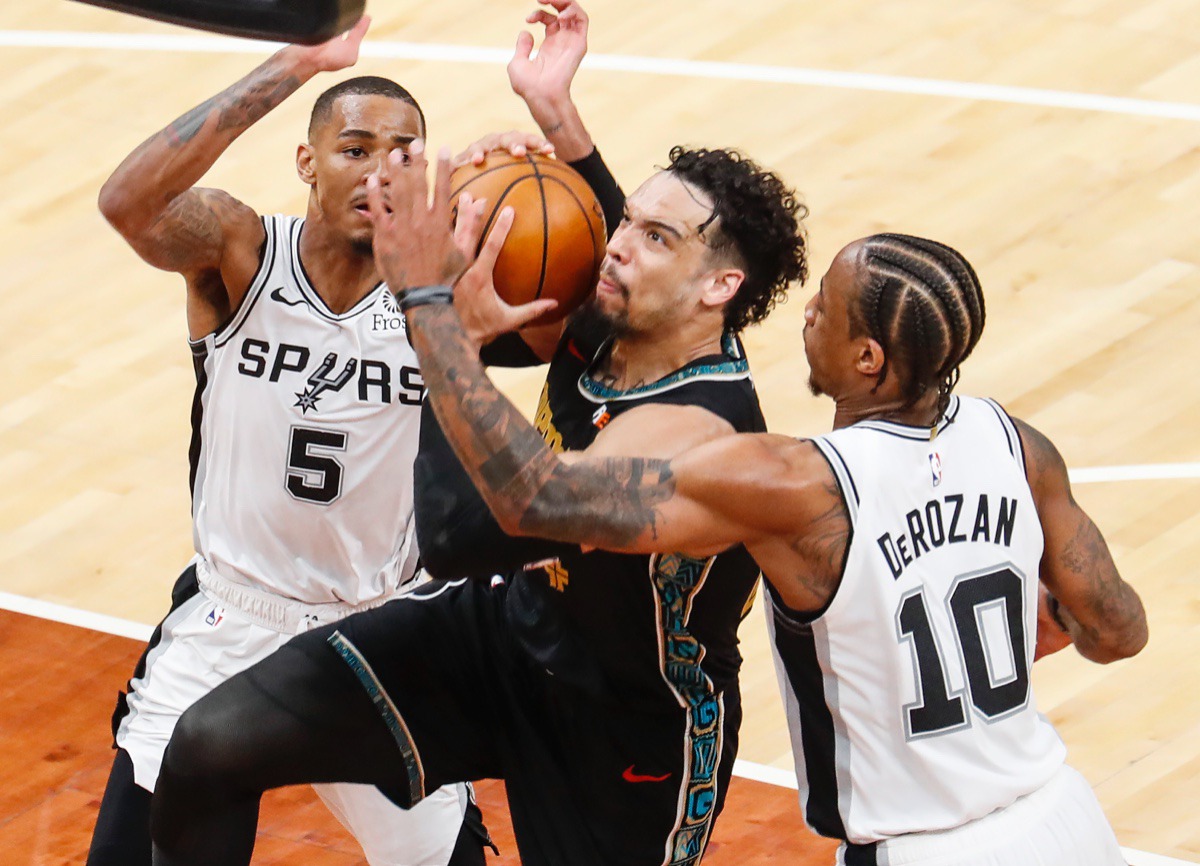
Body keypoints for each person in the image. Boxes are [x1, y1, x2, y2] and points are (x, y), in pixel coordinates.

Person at [145, 5, 811, 864]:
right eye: (627, 223)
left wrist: (434, 318)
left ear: (719, 288)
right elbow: (601, 235)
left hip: (621, 730)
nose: (615, 247)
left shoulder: (694, 433)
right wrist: (555, 117)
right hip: (503, 638)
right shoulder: (618, 319)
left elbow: (478, 528)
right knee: (209, 742)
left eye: (653, 237)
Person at [358, 146, 1150, 865]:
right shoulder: (1017, 445)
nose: (805, 312)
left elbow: (535, 497)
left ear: (866, 359)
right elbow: (1118, 631)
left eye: (823, 309)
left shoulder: (793, 486)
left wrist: (434, 314)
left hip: (925, 850)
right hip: (1064, 819)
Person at [86, 18, 490, 866]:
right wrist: (299, 62)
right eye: (354, 148)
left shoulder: (441, 291)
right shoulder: (238, 250)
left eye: (404, 152)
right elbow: (127, 203)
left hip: (375, 630)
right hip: (236, 615)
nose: (380, 168)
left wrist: (549, 154)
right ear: (307, 162)